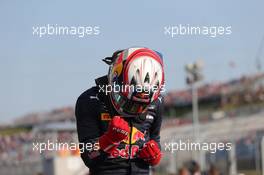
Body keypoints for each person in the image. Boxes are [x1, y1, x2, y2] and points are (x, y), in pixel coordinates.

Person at [75, 47, 165, 175]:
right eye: (130, 103)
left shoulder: (158, 102)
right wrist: (109, 139)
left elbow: (155, 139)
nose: (136, 109)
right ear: (115, 79)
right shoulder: (90, 100)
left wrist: (155, 154)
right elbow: (88, 157)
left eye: (142, 105)